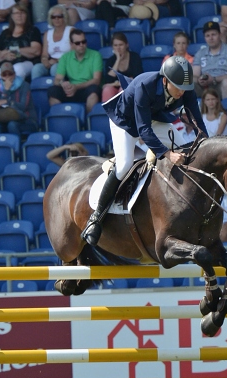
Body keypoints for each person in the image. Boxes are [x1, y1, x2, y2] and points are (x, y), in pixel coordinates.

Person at [82, 56, 208, 245]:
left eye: (184, 88)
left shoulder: (185, 88)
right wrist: (167, 154)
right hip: (125, 121)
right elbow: (143, 130)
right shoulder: (145, 85)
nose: (182, 92)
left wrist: (205, 142)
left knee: (185, 148)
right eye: (178, 87)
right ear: (165, 80)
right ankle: (96, 218)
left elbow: (196, 117)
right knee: (124, 165)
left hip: (155, 118)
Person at [47, 28, 102, 113]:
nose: (81, 45)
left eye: (84, 42)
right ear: (71, 44)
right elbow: (57, 79)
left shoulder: (95, 55)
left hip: (86, 88)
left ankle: (88, 121)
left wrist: (76, 87)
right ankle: (62, 119)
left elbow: (96, 80)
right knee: (53, 90)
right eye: (77, 43)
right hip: (70, 90)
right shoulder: (65, 57)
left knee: (94, 90)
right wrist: (63, 84)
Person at [0, 4, 41, 82]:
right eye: (16, 13)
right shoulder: (5, 33)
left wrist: (14, 51)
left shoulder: (33, 30)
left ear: (26, 15)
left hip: (26, 62)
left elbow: (36, 51)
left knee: (18, 70)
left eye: (22, 13)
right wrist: (4, 56)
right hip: (6, 62)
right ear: (12, 16)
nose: (19, 15)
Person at [193, 21, 227, 100]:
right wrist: (199, 80)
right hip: (205, 87)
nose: (211, 38)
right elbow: (195, 75)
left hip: (222, 85)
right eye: (207, 36)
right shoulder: (200, 53)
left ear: (220, 35)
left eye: (213, 34)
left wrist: (214, 79)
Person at [0, 61, 37, 135]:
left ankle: (17, 145)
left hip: (26, 119)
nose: (7, 76)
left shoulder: (24, 85)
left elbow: (23, 107)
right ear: (1, 76)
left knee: (12, 125)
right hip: (5, 118)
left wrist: (7, 101)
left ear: (14, 74)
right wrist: (6, 90)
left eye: (10, 74)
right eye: (4, 74)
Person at [31, 5, 72, 79]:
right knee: (36, 68)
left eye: (59, 16)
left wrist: (57, 61)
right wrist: (45, 60)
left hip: (66, 63)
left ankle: (56, 90)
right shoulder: (48, 33)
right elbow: (44, 54)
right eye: (53, 17)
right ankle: (36, 90)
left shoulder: (71, 31)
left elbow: (73, 53)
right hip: (51, 62)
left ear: (64, 17)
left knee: (55, 68)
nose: (56, 19)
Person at [101, 32, 143, 103]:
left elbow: (137, 78)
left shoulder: (135, 57)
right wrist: (118, 60)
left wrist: (117, 83)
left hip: (130, 88)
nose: (118, 48)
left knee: (123, 89)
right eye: (115, 45)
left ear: (126, 45)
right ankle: (107, 113)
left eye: (121, 45)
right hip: (114, 88)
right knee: (107, 90)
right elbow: (108, 80)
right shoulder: (110, 60)